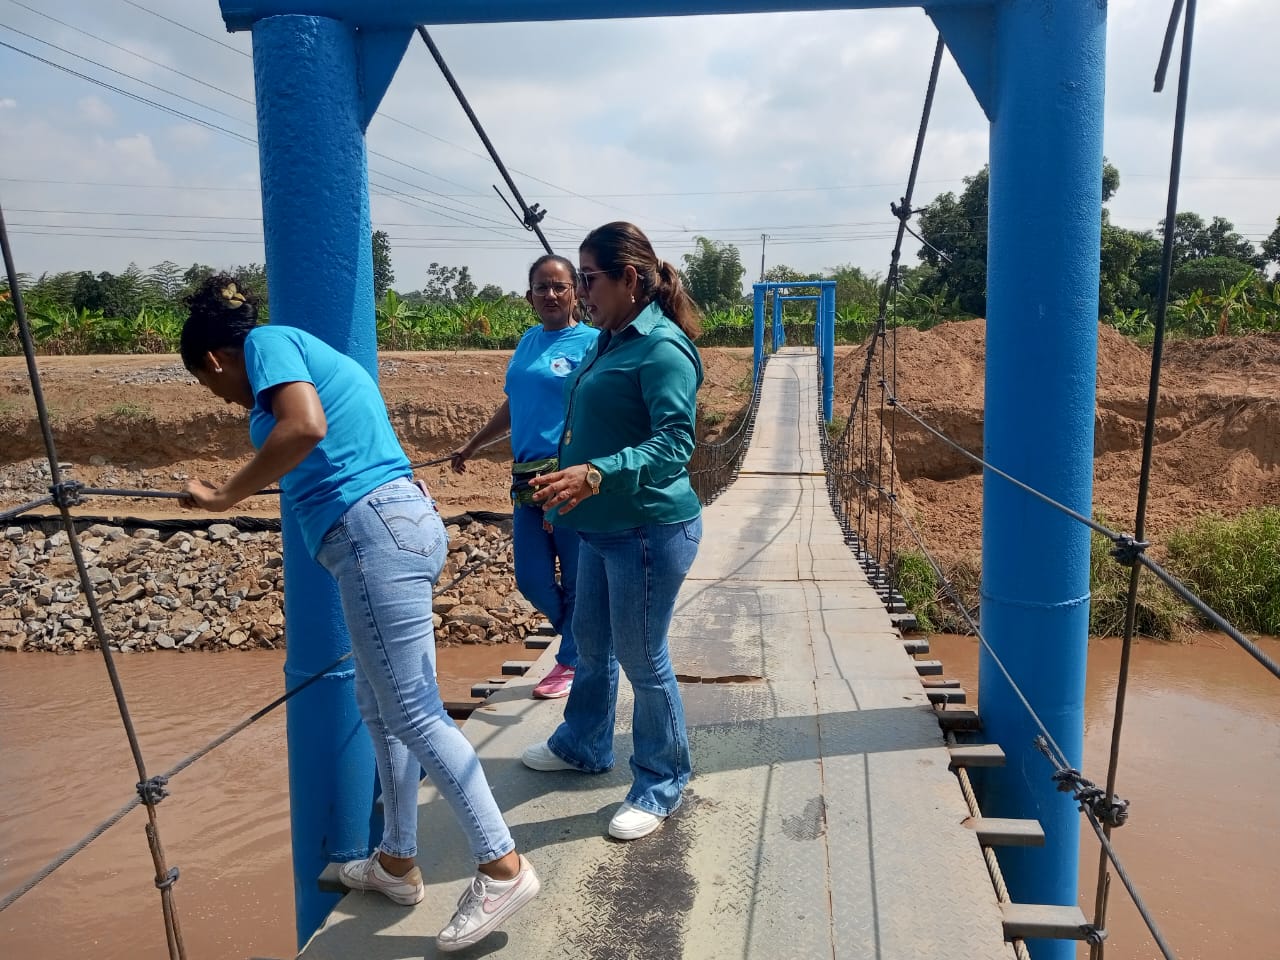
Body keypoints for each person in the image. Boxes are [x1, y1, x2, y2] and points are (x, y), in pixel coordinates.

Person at [176, 275, 538, 953]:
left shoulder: (266, 345)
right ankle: (397, 863)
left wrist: (225, 495)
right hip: (393, 525)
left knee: (413, 713)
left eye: (208, 385)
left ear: (215, 361)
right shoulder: (292, 353)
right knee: (382, 708)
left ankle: (502, 867)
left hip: (373, 534)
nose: (221, 399)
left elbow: (305, 426)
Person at [519, 222, 705, 842]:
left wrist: (597, 472)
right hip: (600, 525)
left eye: (588, 278)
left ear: (629, 278)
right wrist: (567, 480)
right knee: (591, 643)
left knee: (642, 658)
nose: (579, 290)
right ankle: (583, 743)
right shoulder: (606, 340)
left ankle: (660, 780)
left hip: (647, 529)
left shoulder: (662, 348)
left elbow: (675, 443)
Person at [451, 255, 598, 700]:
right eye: (541, 287)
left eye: (559, 286)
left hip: (567, 478)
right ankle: (583, 640)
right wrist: (473, 444)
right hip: (525, 480)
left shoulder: (593, 343)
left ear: (576, 292)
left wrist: (581, 471)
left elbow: (600, 412)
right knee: (532, 580)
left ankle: (571, 660)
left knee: (576, 579)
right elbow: (515, 404)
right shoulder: (528, 342)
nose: (550, 295)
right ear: (528, 296)